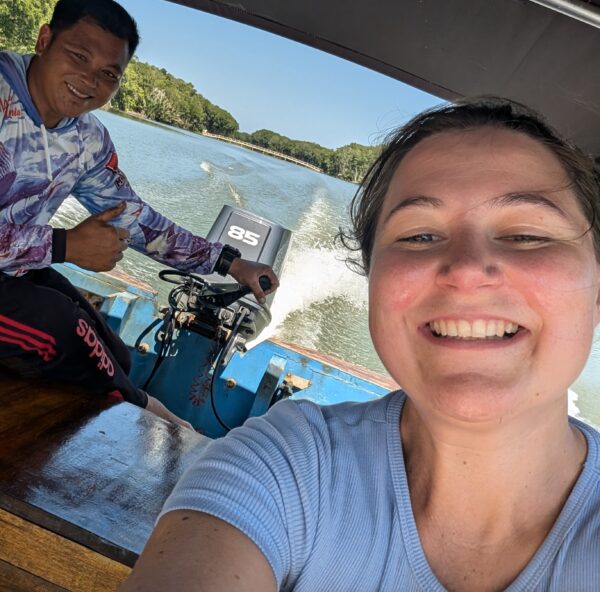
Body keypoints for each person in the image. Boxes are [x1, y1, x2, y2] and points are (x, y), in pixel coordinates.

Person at [122, 97, 599, 591]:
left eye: (526, 234)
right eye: (419, 236)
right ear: (373, 282)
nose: (467, 269)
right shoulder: (284, 465)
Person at [0, 0, 278, 427]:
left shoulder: (86, 141)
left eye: (109, 73)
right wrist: (64, 244)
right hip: (21, 263)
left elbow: (136, 218)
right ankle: (157, 418)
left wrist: (228, 261)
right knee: (63, 330)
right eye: (78, 56)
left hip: (15, 268)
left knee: (117, 352)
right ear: (43, 39)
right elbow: (57, 246)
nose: (90, 81)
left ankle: (123, 399)